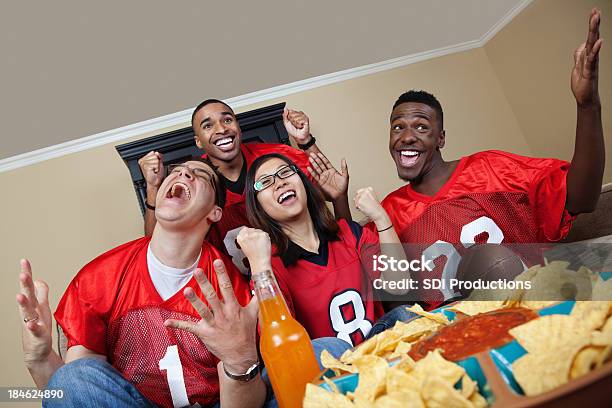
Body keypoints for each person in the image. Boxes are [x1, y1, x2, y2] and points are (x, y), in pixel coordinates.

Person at [17, 158, 350, 407]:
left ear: (215, 213)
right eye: (175, 171)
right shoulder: (99, 277)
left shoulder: (233, 287)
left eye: (199, 174)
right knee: (73, 377)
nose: (182, 174)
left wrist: (238, 359)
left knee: (328, 353)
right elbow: (76, 392)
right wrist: (41, 359)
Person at [378, 9, 605, 309]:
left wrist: (587, 106)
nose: (406, 137)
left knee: (489, 257)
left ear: (441, 138)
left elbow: (582, 199)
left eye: (421, 126)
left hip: (531, 312)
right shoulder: (387, 214)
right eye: (398, 127)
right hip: (453, 335)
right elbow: (390, 297)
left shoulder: (491, 169)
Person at [139, 100, 350, 276]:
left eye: (227, 120)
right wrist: (152, 187)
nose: (221, 129)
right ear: (198, 142)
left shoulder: (274, 159)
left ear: (238, 127)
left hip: (302, 270)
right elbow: (158, 244)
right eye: (208, 125)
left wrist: (305, 141)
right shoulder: (198, 183)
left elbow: (330, 189)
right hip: (239, 288)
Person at [236, 153, 410, 346]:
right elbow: (283, 345)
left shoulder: (349, 233)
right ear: (258, 205)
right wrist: (259, 266)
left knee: (406, 313)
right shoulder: (270, 266)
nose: (280, 183)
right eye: (265, 182)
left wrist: (380, 217)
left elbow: (400, 287)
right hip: (328, 369)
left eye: (285, 172)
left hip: (382, 348)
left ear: (303, 183)